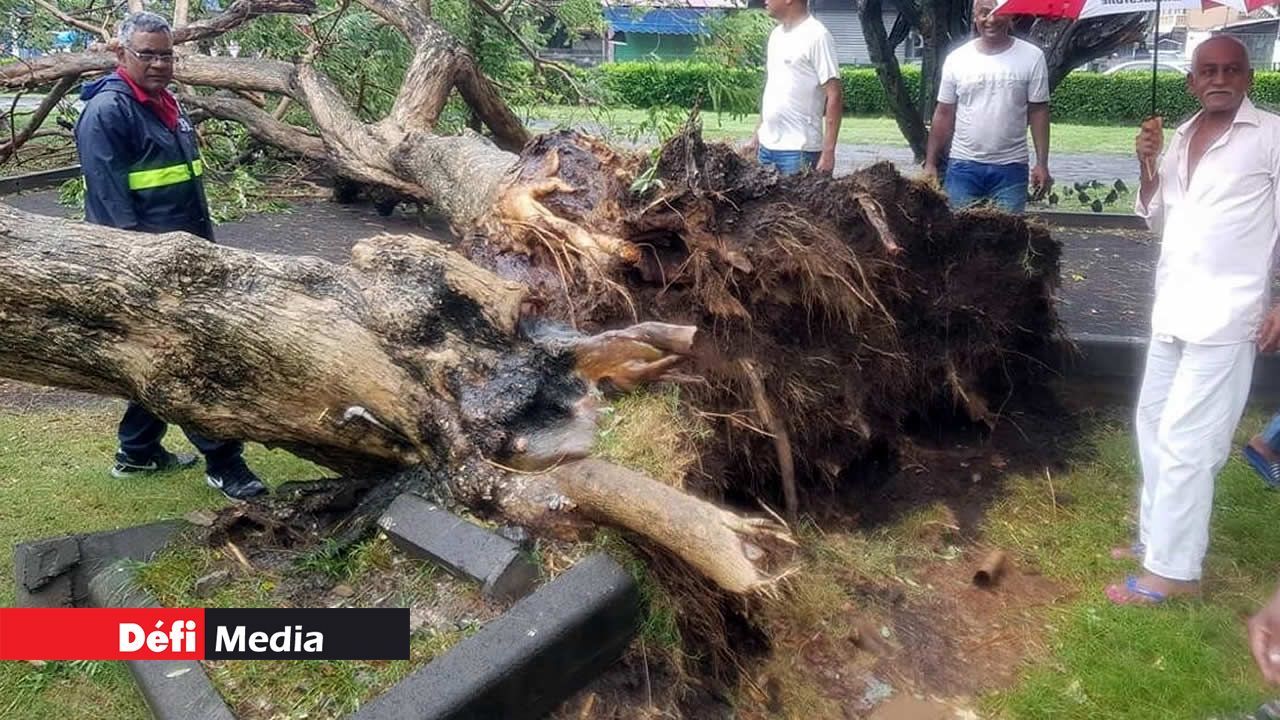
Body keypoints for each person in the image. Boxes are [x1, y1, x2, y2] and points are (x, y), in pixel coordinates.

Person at [1107, 35, 1280, 604]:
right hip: (1174, 305)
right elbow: (1159, 221)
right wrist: (1147, 164)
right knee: (1153, 424)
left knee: (1189, 439)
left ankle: (1175, 573)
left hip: (1229, 313)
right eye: (1208, 70)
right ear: (1191, 80)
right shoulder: (1178, 136)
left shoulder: (1273, 136)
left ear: (1249, 77)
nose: (1220, 79)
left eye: (1232, 70)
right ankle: (1159, 538)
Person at [74, 11, 267, 500]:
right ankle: (225, 462)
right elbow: (113, 208)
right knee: (186, 359)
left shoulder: (166, 103)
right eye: (148, 54)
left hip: (190, 252)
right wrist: (145, 273)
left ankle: (136, 452)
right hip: (147, 266)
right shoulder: (108, 114)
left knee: (156, 359)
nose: (159, 63)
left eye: (166, 54)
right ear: (121, 54)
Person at [922, 0, 1051, 213]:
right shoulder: (957, 59)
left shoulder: (1032, 56)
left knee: (1008, 240)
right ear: (975, 17)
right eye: (984, 13)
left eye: (998, 12)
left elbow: (1038, 112)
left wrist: (1042, 163)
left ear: (1011, 16)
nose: (990, 20)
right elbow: (944, 113)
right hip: (963, 167)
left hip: (1011, 168)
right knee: (959, 238)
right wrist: (930, 163)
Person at [745, 0, 842, 176]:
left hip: (799, 152)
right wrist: (756, 137)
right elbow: (773, 90)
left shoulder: (817, 36)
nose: (765, 1)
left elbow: (834, 95)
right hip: (766, 149)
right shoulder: (775, 36)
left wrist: (828, 153)